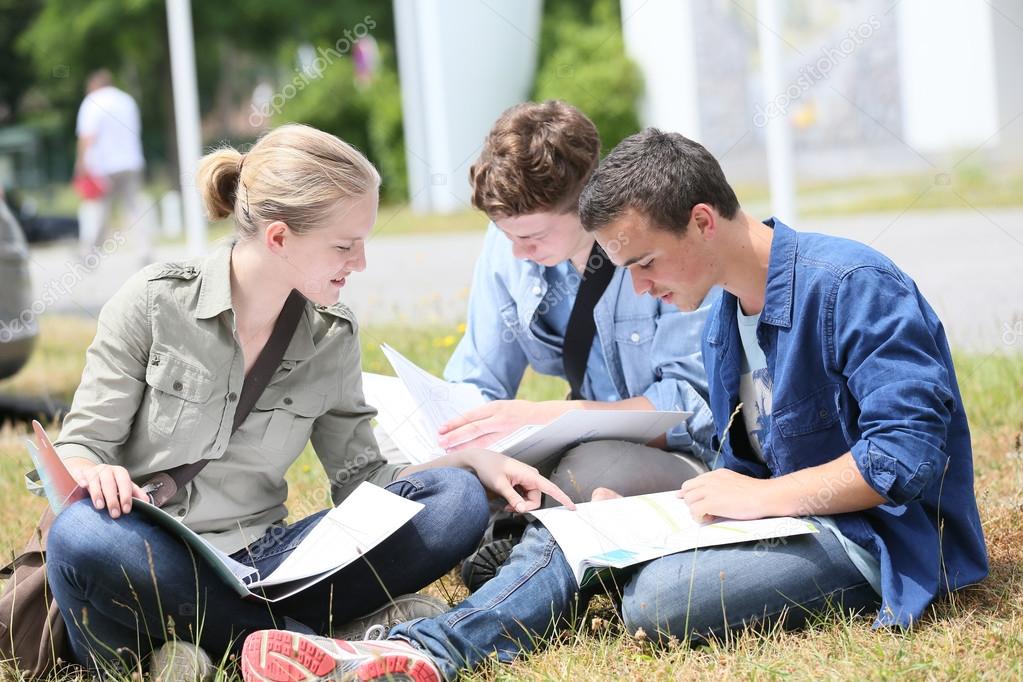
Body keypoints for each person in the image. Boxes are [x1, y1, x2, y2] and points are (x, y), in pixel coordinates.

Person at [239, 128, 988, 682]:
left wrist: (753, 498)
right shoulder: (730, 309)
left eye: (644, 262)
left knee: (657, 602)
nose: (636, 288)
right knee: (578, 530)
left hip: (879, 540)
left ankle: (483, 619)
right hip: (789, 517)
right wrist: (685, 508)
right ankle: (414, 654)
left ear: (702, 219)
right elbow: (745, 452)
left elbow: (905, 463)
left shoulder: (853, 285)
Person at [43, 123, 573, 678]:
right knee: (79, 533)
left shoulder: (331, 334)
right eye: (345, 245)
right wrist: (90, 473)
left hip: (265, 565)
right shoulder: (153, 303)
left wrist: (470, 462)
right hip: (148, 557)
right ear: (278, 238)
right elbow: (80, 446)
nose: (360, 263)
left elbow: (361, 477)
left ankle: (198, 653)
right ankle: (307, 643)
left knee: (456, 500)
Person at [421, 101, 716, 588]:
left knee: (587, 470)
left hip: (677, 455)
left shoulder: (657, 247)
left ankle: (519, 548)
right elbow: (479, 374)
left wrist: (541, 417)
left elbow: (692, 408)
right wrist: (461, 437)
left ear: (585, 204)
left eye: (532, 235)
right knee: (447, 477)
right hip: (562, 440)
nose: (517, 251)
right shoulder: (510, 243)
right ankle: (523, 536)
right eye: (505, 233)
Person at [74, 69, 150, 262]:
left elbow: (87, 137)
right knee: (134, 208)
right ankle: (144, 250)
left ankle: (89, 253)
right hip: (131, 161)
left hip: (103, 166)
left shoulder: (92, 102)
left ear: (93, 86)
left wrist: (80, 164)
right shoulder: (127, 100)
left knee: (98, 210)